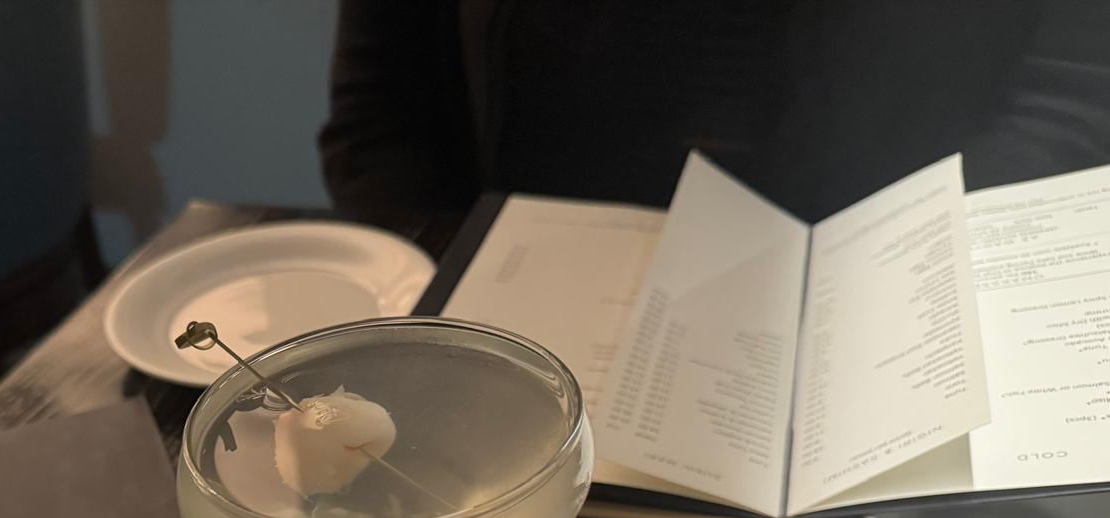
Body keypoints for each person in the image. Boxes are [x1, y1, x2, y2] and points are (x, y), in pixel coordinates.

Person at [320, 0, 1110, 224]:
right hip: (513, 355)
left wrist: (920, 270)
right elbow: (382, 122)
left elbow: (1069, 95)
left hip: (882, 308)